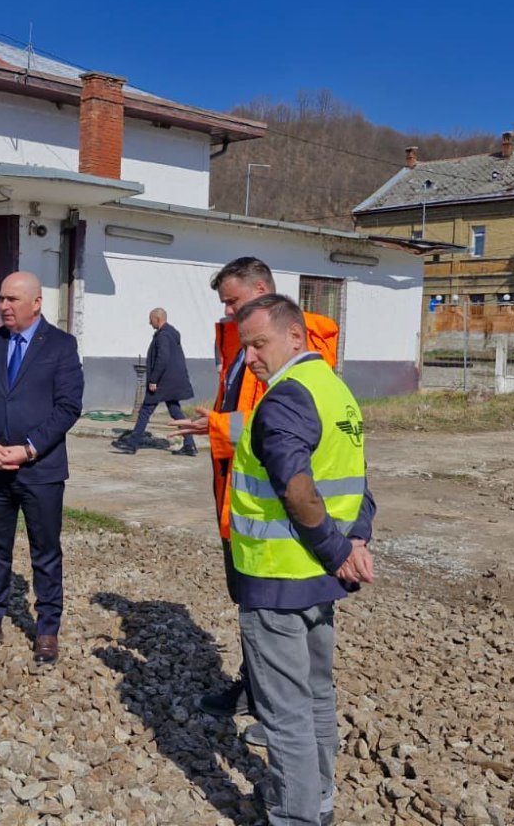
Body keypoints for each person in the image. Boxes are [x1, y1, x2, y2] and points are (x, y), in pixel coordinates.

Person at [171, 257, 352, 745]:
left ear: (261, 290)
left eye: (233, 301)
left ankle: (277, 716)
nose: (228, 313)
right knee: (250, 604)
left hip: (276, 517)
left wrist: (216, 425)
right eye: (226, 306)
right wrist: (215, 419)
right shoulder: (240, 346)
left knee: (274, 617)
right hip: (242, 496)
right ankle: (256, 690)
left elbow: (271, 427)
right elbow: (249, 416)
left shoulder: (296, 346)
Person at [230, 292, 375, 825]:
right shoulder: (337, 392)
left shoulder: (285, 399)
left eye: (259, 344)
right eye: (245, 347)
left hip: (278, 580)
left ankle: (294, 817)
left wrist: (340, 550)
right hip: (319, 581)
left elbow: (297, 489)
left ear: (296, 336)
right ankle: (320, 802)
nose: (251, 358)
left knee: (284, 710)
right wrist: (355, 543)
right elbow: (360, 483)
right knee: (316, 696)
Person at [0, 271, 84, 665]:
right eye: (1, 298)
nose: (4, 306)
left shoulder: (61, 345)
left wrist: (29, 449)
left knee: (45, 551)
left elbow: (68, 406)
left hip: (40, 470)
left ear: (36, 303)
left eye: (12, 299)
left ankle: (47, 627)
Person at [114, 307, 196, 455]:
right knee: (176, 412)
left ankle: (132, 444)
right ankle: (190, 445)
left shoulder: (163, 336)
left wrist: (153, 380)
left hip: (162, 382)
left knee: (145, 410)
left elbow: (162, 358)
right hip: (171, 382)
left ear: (158, 319)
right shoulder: (171, 334)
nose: (149, 322)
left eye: (150, 319)